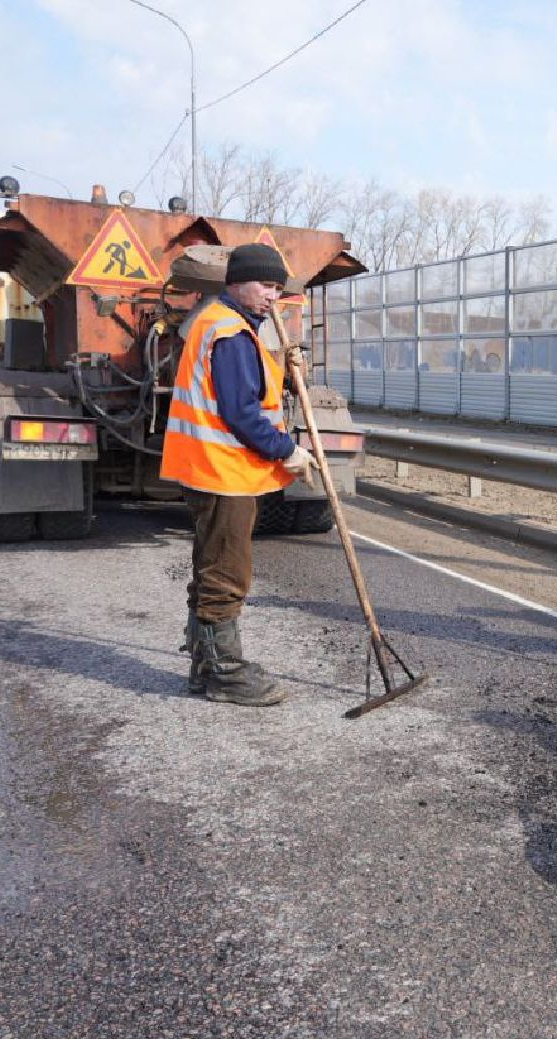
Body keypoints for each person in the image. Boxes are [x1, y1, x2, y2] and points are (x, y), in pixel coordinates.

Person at [161, 243, 314, 707]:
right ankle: (225, 674)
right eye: (265, 285)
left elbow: (250, 388)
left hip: (209, 468)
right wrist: (287, 449)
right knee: (227, 572)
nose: (272, 296)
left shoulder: (228, 326)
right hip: (221, 470)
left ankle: (204, 667)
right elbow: (242, 412)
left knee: (211, 565)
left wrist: (287, 372)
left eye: (277, 289)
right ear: (236, 282)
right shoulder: (229, 332)